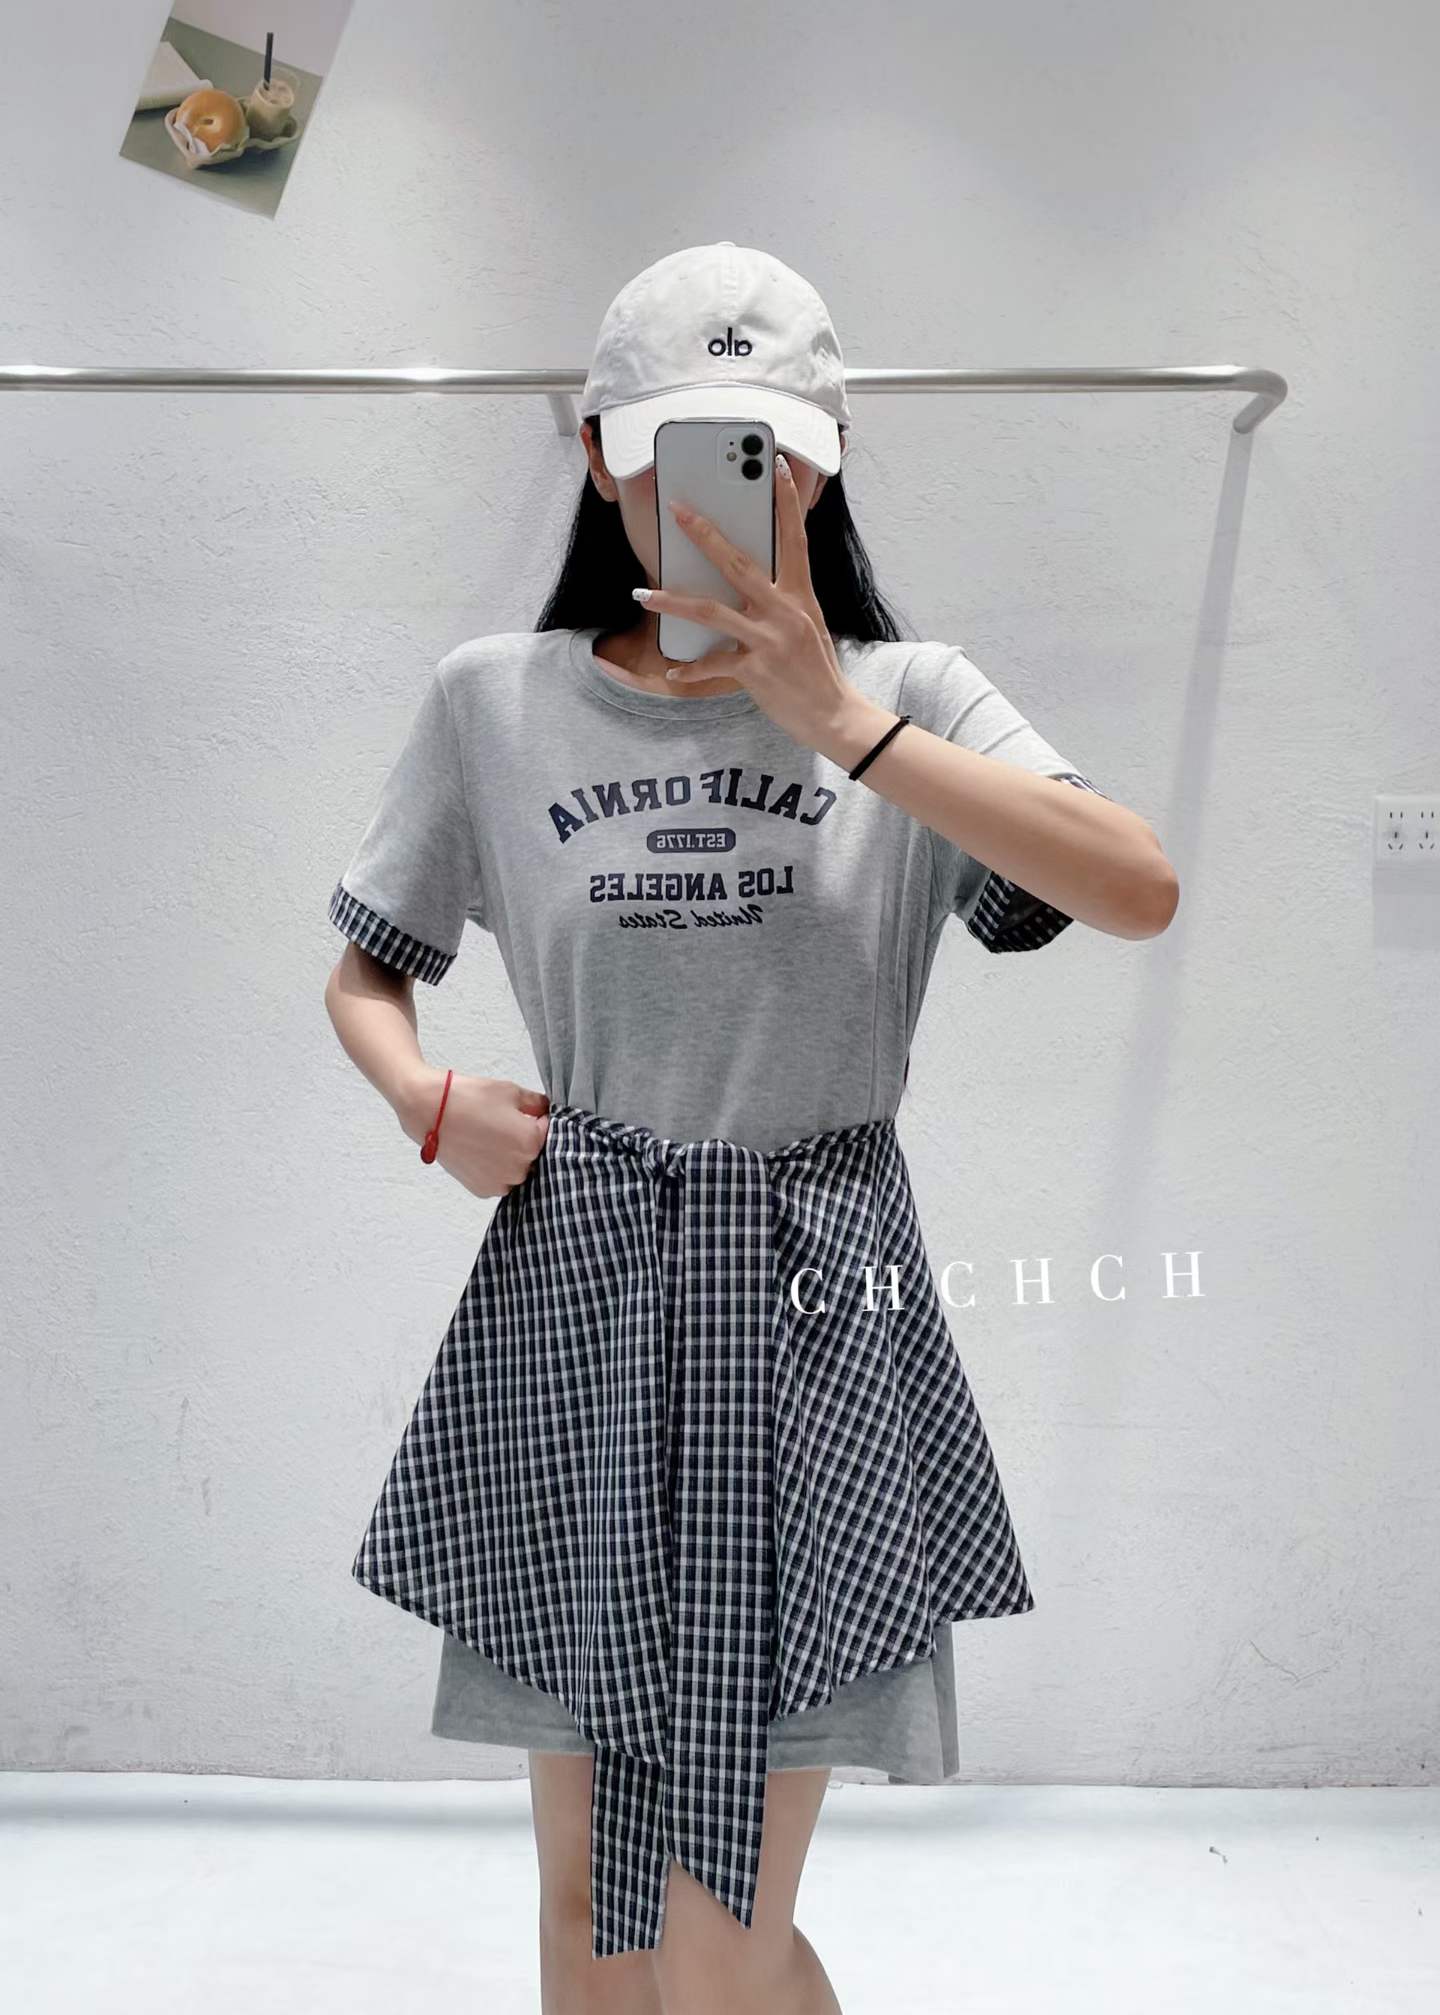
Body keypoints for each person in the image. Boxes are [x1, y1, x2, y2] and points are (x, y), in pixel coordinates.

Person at [324, 241, 1179, 2015]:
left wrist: (841, 724)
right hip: (580, 1292)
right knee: (592, 1917)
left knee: (716, 1932)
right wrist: (427, 1103)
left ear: (827, 458)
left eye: (767, 452)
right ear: (598, 455)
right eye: (679, 451)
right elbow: (364, 974)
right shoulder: (495, 699)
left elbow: (1135, 886)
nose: (724, 494)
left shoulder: (911, 694)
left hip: (815, 1306)